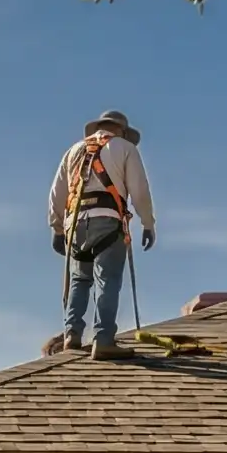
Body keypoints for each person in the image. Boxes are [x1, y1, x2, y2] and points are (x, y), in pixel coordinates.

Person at [45, 109, 156, 357]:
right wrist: (148, 223)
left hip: (75, 224)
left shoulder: (73, 151)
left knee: (79, 280)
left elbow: (57, 193)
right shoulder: (125, 149)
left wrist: (56, 228)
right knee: (108, 280)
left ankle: (71, 335)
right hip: (107, 219)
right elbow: (139, 190)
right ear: (123, 132)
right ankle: (103, 339)